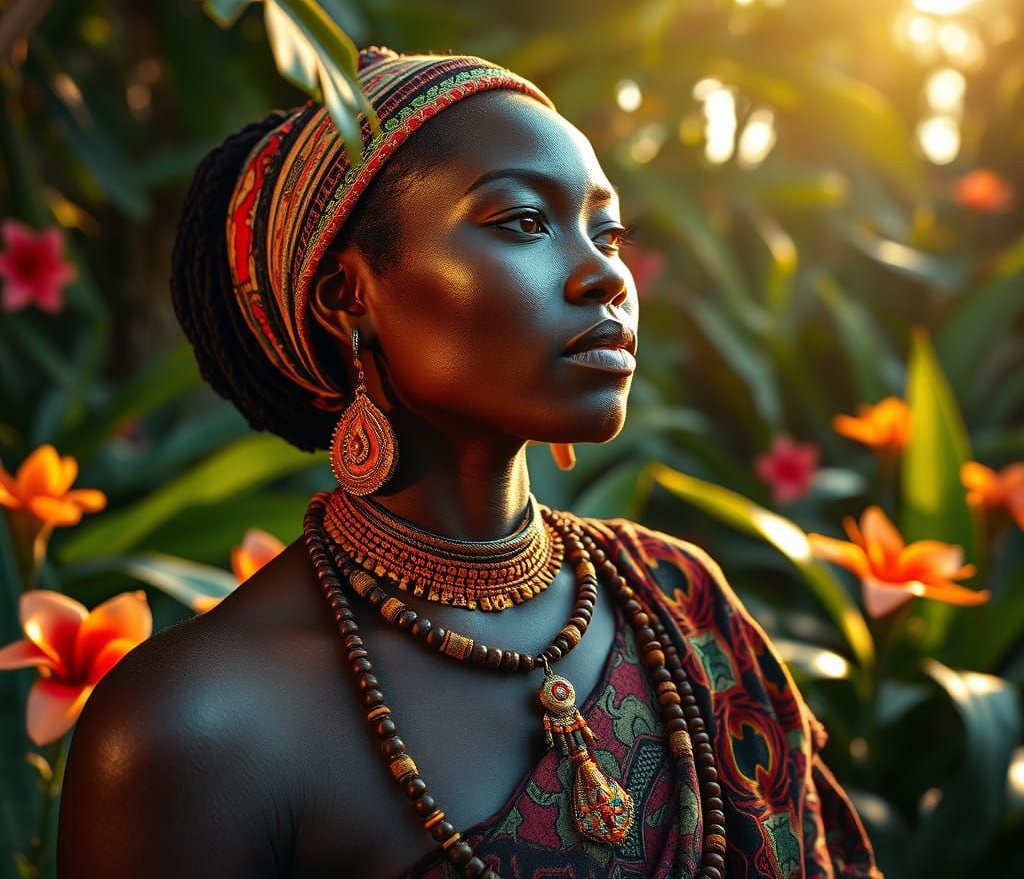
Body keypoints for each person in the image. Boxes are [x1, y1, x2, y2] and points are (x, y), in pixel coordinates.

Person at [56, 46, 882, 879]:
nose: (604, 275)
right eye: (524, 221)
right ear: (349, 295)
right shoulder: (191, 725)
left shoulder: (681, 602)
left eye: (609, 232)